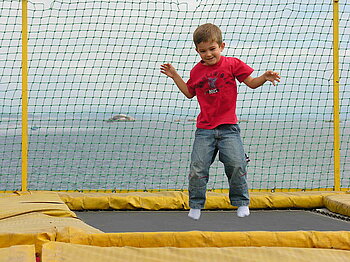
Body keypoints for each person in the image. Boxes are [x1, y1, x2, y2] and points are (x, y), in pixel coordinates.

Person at [160, 23, 280, 220]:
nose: (208, 54)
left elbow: (251, 83)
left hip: (228, 128)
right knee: (197, 168)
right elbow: (190, 93)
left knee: (236, 164)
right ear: (197, 51)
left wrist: (264, 77)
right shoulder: (197, 71)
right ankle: (196, 205)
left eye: (212, 49)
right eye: (203, 51)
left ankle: (241, 202)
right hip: (205, 129)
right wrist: (175, 76)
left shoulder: (232, 64)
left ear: (221, 46)